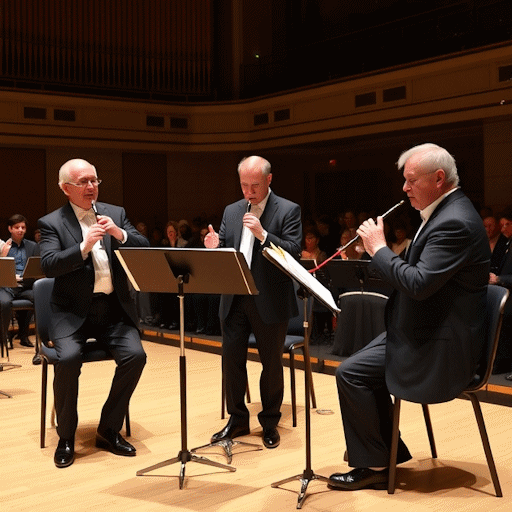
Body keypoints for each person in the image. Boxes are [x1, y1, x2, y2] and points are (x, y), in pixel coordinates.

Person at [328, 143, 490, 491]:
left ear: (439, 178)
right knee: (355, 370)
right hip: (424, 329)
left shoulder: (454, 223)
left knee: (351, 374)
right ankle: (383, 456)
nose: (405, 188)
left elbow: (417, 284)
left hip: (441, 348)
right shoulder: (447, 212)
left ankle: (375, 464)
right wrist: (375, 255)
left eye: (411, 180)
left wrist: (379, 249)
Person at [38, 158, 149, 468]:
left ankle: (108, 428)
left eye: (94, 180)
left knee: (135, 356)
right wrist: (83, 247)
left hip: (112, 311)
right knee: (69, 358)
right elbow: (48, 264)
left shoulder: (115, 214)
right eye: (83, 182)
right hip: (70, 313)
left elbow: (143, 246)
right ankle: (66, 436)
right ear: (65, 188)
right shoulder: (52, 223)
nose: (91, 187)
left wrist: (120, 234)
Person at [204, 155, 302, 449]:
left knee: (271, 363)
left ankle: (270, 422)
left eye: (255, 185)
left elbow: (294, 253)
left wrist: (263, 235)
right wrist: (213, 248)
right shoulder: (232, 210)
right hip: (234, 297)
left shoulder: (287, 210)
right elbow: (224, 249)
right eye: (244, 185)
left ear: (269, 180)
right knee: (231, 361)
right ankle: (237, 420)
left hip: (269, 299)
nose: (249, 191)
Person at [0, 214, 40, 349]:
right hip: (8, 286)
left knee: (38, 297)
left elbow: (37, 265)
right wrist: (3, 256)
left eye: (23, 227)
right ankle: (3, 337)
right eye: (17, 227)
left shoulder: (33, 246)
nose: (20, 230)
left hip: (25, 285)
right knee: (3, 302)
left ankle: (25, 336)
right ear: (10, 229)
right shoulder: (3, 246)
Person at [489, 208, 512, 377]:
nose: (503, 228)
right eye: (502, 225)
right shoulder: (506, 243)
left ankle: (503, 365)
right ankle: (499, 364)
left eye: (508, 224)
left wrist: (498, 279)